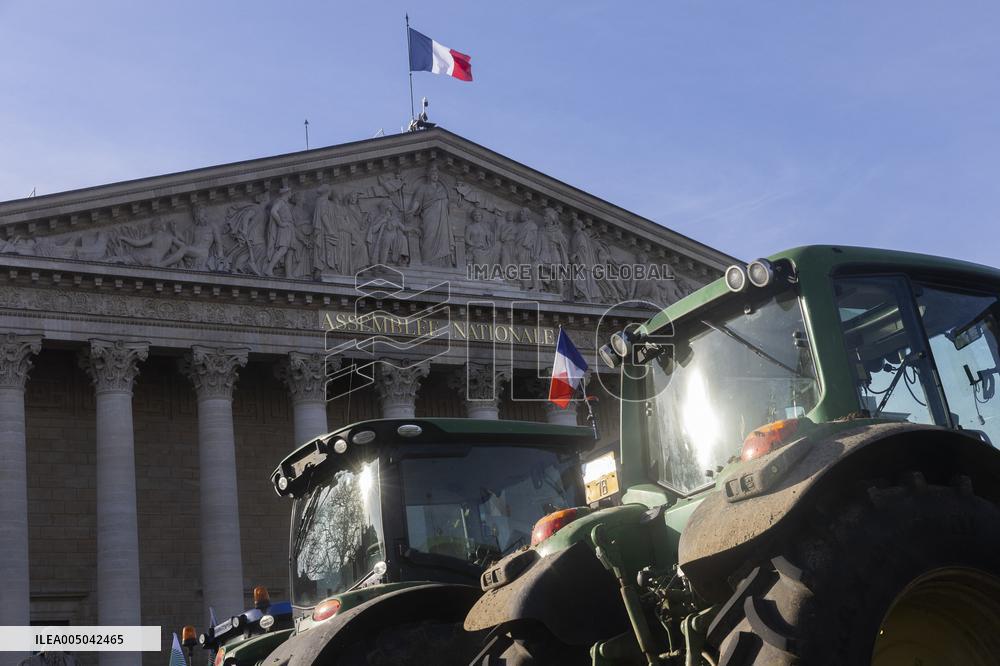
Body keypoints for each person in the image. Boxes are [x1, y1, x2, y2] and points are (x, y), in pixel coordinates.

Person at [408, 164, 453, 267]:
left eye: (436, 173)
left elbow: (447, 204)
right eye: (433, 173)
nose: (435, 175)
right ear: (428, 175)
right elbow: (417, 201)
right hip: (429, 216)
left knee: (443, 238)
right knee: (429, 236)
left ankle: (441, 263)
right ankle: (427, 260)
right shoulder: (423, 188)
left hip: (442, 219)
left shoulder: (441, 189)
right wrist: (412, 211)